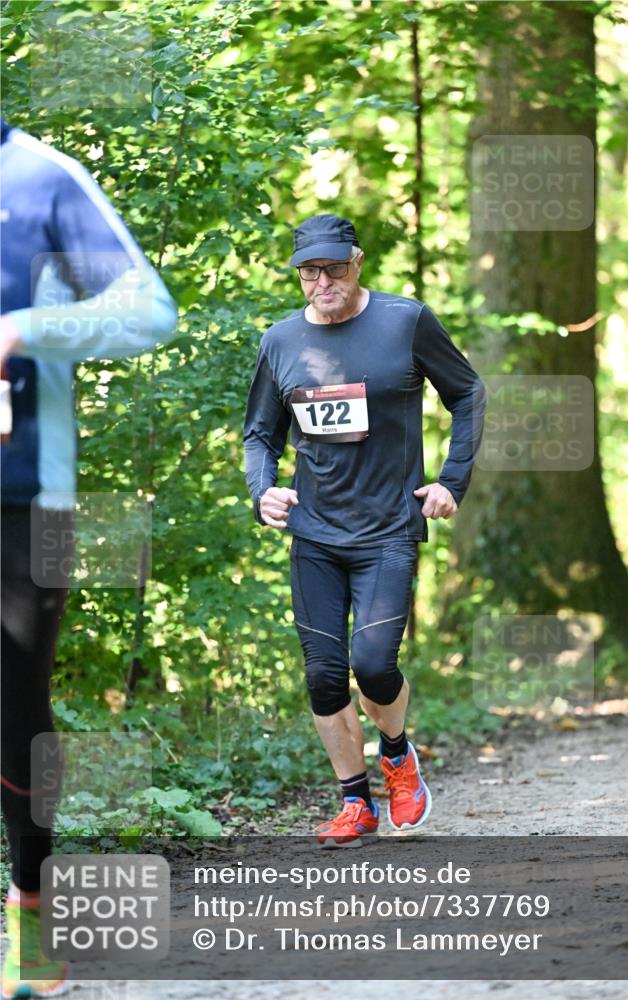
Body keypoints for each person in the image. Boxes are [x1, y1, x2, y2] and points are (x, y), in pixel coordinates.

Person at [0, 118, 178, 998]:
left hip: (27, 496)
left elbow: (147, 310)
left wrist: (24, 329)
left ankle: (31, 915)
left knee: (14, 707)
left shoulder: (40, 176)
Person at [243, 213, 486, 848]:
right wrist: (261, 489)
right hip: (315, 534)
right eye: (308, 271)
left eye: (333, 267)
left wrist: (450, 481)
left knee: (374, 665)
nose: (321, 280)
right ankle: (356, 803)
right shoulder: (281, 342)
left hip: (386, 529)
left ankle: (399, 757)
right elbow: (259, 435)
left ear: (358, 262)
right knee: (324, 676)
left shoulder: (404, 321)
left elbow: (466, 393)